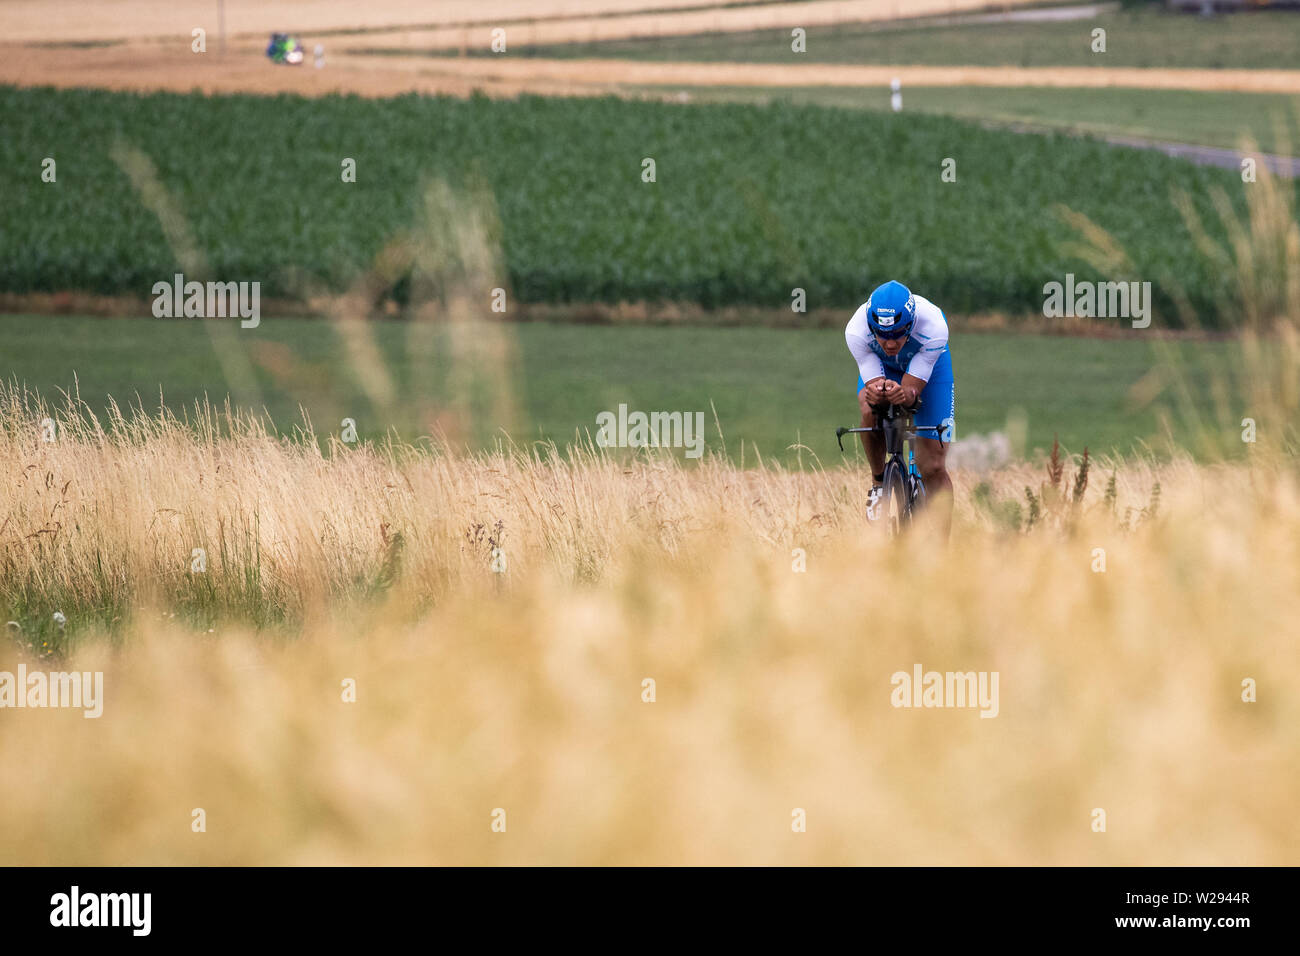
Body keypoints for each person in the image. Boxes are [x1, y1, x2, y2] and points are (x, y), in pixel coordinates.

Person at [844, 279, 955, 529]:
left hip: (929, 370)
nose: (890, 343)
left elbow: (912, 392)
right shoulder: (855, 330)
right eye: (882, 335)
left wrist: (904, 395)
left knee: (934, 466)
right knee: (870, 408)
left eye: (897, 334)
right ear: (871, 327)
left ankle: (945, 558)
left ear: (912, 323)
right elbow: (871, 389)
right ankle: (878, 483)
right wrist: (879, 394)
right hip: (884, 368)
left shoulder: (934, 325)